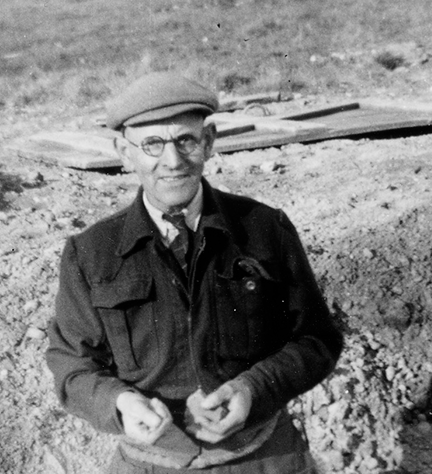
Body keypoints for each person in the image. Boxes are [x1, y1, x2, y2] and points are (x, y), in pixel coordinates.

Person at [46, 72, 343, 473]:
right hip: (150, 464)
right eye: (152, 143)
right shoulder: (91, 253)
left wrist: (253, 389)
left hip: (263, 459)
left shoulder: (265, 229)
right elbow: (72, 365)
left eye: (185, 140)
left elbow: (316, 339)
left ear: (209, 142)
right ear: (124, 151)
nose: (173, 161)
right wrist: (120, 402)